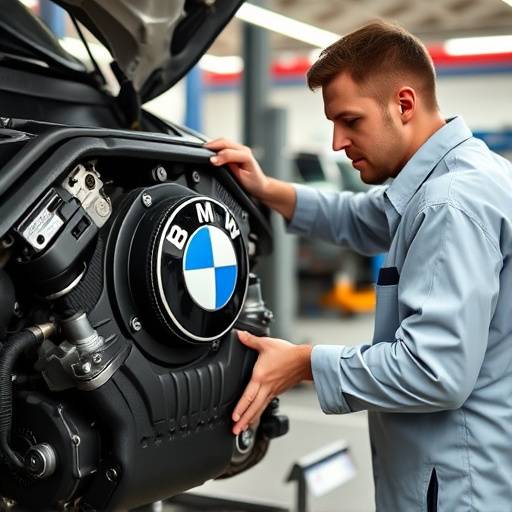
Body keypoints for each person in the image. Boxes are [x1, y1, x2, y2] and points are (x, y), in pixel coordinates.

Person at [204, 21, 512, 512]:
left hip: (458, 487)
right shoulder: (466, 173)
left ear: (403, 105)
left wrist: (304, 362)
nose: (336, 142)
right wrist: (267, 189)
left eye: (350, 121)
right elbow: (363, 217)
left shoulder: (449, 204)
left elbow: (435, 370)